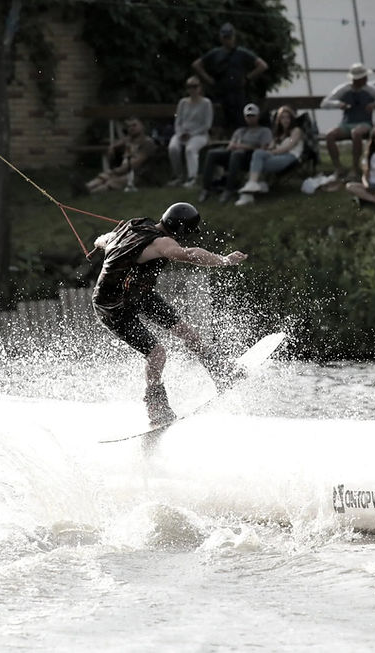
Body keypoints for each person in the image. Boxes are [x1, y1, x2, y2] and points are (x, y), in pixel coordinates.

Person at [92, 202, 248, 425]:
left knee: (188, 333)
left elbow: (104, 239)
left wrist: (100, 243)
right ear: (181, 230)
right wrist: (225, 260)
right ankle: (155, 405)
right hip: (112, 306)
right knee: (157, 354)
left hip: (139, 295)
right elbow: (190, 254)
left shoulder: (132, 229)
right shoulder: (161, 243)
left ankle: (222, 372)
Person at [321, 63, 375, 180]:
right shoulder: (344, 89)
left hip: (364, 122)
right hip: (346, 123)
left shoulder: (370, 89)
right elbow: (325, 103)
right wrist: (339, 104)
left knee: (356, 133)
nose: (365, 79)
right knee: (330, 135)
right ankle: (338, 167)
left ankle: (355, 168)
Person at [192, 23, 268, 132]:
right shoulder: (216, 53)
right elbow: (196, 64)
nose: (227, 40)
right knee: (223, 124)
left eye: (229, 37)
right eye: (225, 37)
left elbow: (262, 65)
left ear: (233, 37)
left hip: (238, 94)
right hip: (221, 93)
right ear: (221, 38)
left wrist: (247, 78)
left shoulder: (242, 53)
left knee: (241, 123)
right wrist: (208, 79)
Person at [198, 103, 272, 203]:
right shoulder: (240, 131)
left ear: (258, 116)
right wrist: (232, 146)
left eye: (253, 116)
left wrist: (241, 146)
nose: (250, 118)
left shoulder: (264, 131)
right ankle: (206, 188)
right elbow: (231, 144)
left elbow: (262, 148)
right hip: (234, 153)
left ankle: (229, 189)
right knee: (212, 153)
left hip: (250, 157)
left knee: (236, 154)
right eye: (248, 116)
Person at [234, 105, 304, 206]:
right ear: (279, 120)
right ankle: (253, 187)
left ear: (292, 119)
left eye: (288, 117)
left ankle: (253, 186)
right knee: (258, 155)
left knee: (257, 161)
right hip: (277, 156)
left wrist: (271, 152)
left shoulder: (296, 131)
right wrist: (270, 148)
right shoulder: (279, 134)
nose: (285, 120)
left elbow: (289, 146)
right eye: (282, 118)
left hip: (290, 157)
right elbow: (270, 147)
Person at [84, 117, 158, 194]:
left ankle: (91, 192)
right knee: (104, 176)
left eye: (134, 125)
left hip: (140, 175)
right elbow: (121, 141)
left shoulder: (148, 143)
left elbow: (135, 163)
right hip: (125, 172)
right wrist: (112, 147)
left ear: (142, 126)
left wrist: (116, 171)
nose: (131, 128)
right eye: (129, 126)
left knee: (112, 182)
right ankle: (86, 188)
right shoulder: (129, 140)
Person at [166, 77, 213, 188]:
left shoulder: (206, 103)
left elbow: (207, 124)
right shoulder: (182, 102)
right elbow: (178, 121)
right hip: (182, 133)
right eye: (189, 87)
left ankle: (192, 178)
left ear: (200, 88)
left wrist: (191, 134)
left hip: (199, 134)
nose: (192, 89)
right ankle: (178, 176)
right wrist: (180, 133)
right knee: (173, 148)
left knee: (190, 149)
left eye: (195, 86)